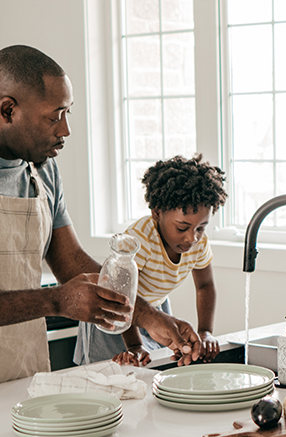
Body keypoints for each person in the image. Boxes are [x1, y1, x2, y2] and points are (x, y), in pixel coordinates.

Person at [0, 45, 200, 403]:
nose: (66, 129)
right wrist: (56, 301)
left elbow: (70, 261)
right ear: (8, 110)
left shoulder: (41, 169)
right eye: (55, 116)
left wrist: (149, 316)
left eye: (68, 113)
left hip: (17, 373)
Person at [75, 154, 227, 367]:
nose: (192, 238)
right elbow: (120, 298)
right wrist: (135, 346)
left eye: (201, 228)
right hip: (113, 317)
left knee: (148, 372)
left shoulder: (198, 244)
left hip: (153, 310)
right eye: (182, 228)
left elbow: (205, 285)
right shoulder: (139, 241)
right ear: (157, 213)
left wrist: (205, 332)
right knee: (109, 376)